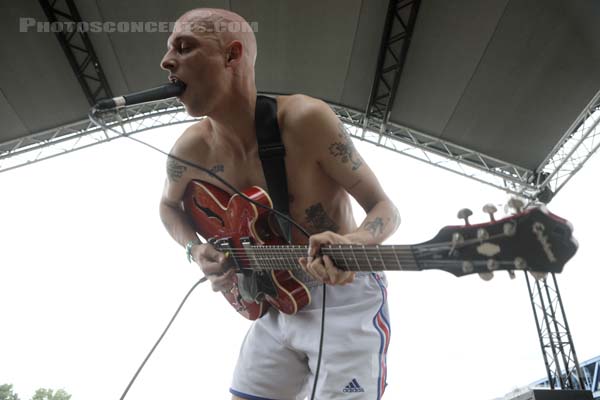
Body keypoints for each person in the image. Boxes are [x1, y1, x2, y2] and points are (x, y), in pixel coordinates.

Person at [159, 8, 400, 400]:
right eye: (169, 49)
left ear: (232, 56)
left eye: (184, 47)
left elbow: (385, 208)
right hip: (272, 303)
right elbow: (168, 208)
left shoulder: (307, 119)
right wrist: (196, 248)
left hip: (343, 296)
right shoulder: (189, 150)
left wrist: (354, 242)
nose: (166, 61)